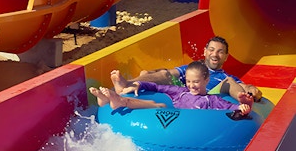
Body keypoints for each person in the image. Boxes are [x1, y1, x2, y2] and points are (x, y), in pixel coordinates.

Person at [110, 36, 262, 102]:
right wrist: (151, 74)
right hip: (182, 92)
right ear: (205, 51)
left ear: (226, 56)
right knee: (163, 73)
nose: (215, 54)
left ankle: (242, 102)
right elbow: (170, 74)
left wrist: (251, 90)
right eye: (211, 50)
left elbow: (244, 86)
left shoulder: (226, 77)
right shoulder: (194, 67)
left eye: (220, 52)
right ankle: (126, 83)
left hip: (206, 96)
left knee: (228, 82)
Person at [90, 61, 253, 115]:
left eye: (195, 82)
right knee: (159, 104)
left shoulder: (212, 100)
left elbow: (231, 107)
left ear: (206, 80)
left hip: (192, 123)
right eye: (188, 81)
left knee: (160, 106)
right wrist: (140, 83)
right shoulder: (180, 91)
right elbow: (156, 86)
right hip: (173, 116)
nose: (191, 85)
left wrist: (243, 107)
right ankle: (111, 100)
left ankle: (115, 100)